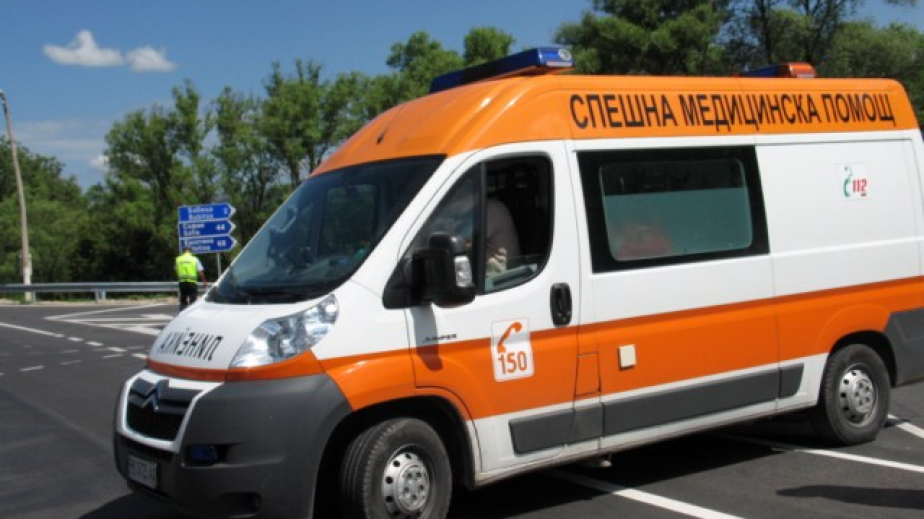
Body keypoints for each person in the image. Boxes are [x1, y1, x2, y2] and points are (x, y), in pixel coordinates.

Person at [176, 247, 206, 311]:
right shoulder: (194, 259)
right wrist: (204, 281)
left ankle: (182, 313)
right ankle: (191, 313)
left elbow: (176, 270)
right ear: (190, 251)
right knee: (193, 300)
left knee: (183, 300)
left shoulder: (178, 259)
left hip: (182, 282)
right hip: (192, 283)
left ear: (183, 251)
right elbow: (200, 272)